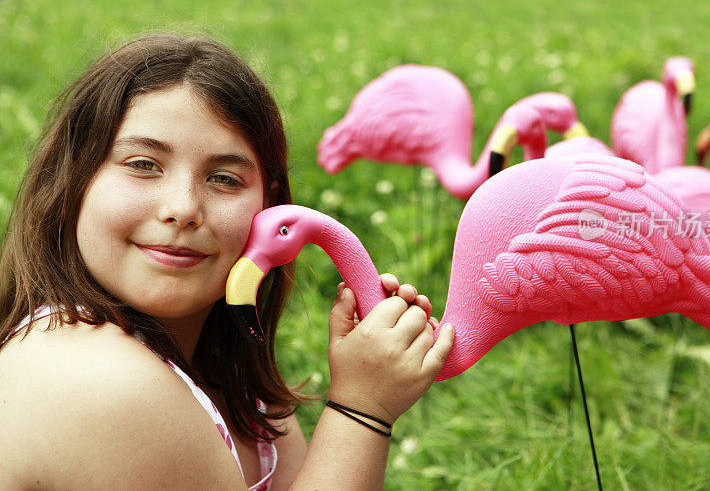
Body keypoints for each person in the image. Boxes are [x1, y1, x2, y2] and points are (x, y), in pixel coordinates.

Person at [0, 33, 455, 490]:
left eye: (223, 179)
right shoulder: (100, 384)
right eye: (143, 164)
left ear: (269, 207)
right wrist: (362, 410)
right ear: (73, 179)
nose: (182, 208)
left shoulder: (229, 376)